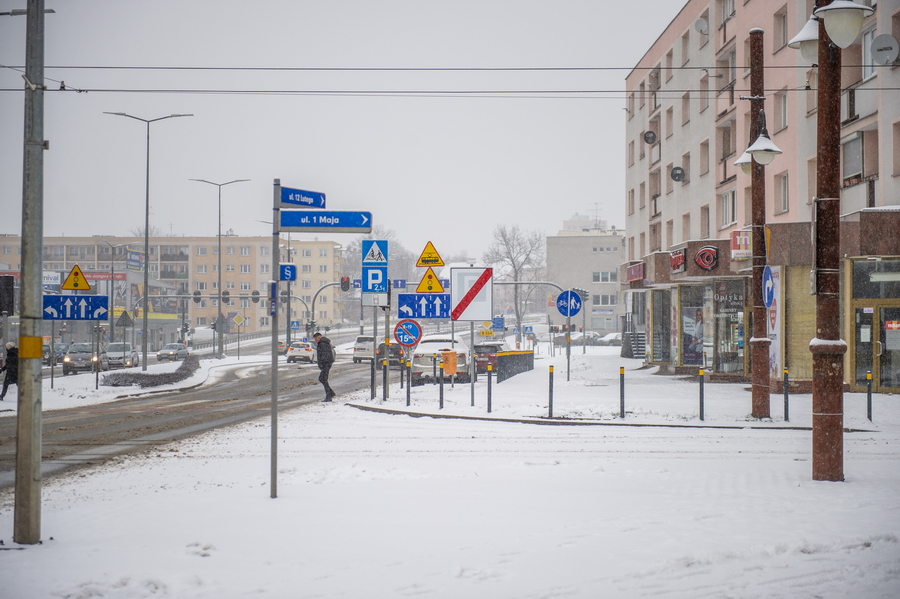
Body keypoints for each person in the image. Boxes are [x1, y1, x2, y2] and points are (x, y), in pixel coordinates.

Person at [313, 332, 336, 402]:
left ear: (319, 337)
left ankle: (329, 395)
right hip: (326, 364)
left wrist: (323, 364)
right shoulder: (323, 343)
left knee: (322, 378)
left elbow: (325, 355)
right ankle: (330, 393)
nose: (315, 341)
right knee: (323, 379)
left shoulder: (323, 344)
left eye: (316, 339)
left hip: (326, 364)